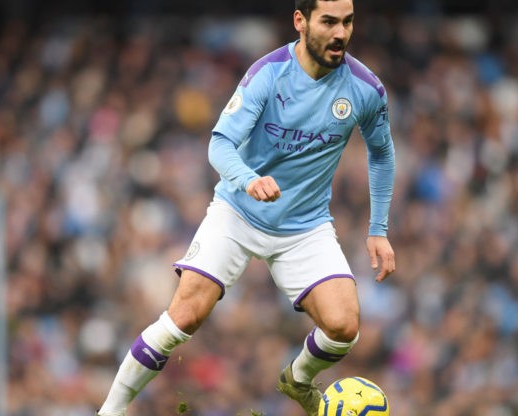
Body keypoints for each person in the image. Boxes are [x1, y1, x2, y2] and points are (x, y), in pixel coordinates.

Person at [96, 0, 396, 414]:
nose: (340, 33)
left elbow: (381, 154)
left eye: (347, 22)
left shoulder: (364, 88)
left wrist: (378, 229)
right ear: (300, 21)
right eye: (328, 22)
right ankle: (109, 411)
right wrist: (248, 179)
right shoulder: (268, 74)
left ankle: (298, 379)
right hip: (237, 214)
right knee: (184, 316)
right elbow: (219, 144)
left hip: (305, 227)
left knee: (344, 327)